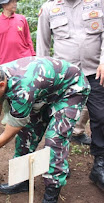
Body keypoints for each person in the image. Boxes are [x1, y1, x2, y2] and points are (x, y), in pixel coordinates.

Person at [0, 57, 90, 203]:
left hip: (70, 90)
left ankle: (52, 193)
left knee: (55, 141)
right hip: (43, 92)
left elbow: (8, 134)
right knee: (26, 134)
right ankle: (23, 181)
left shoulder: (22, 90)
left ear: (1, 85)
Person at [36, 0, 104, 191]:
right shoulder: (49, 8)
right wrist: (43, 74)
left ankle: (100, 163)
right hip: (64, 76)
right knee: (59, 119)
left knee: (100, 117)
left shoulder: (97, 3)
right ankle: (59, 161)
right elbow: (42, 42)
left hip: (95, 73)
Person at [0, 0, 35, 65]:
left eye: (15, 1)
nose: (15, 4)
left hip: (25, 60)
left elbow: (28, 39)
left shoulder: (22, 19)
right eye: (12, 2)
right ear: (4, 5)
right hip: (6, 63)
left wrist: (33, 56)